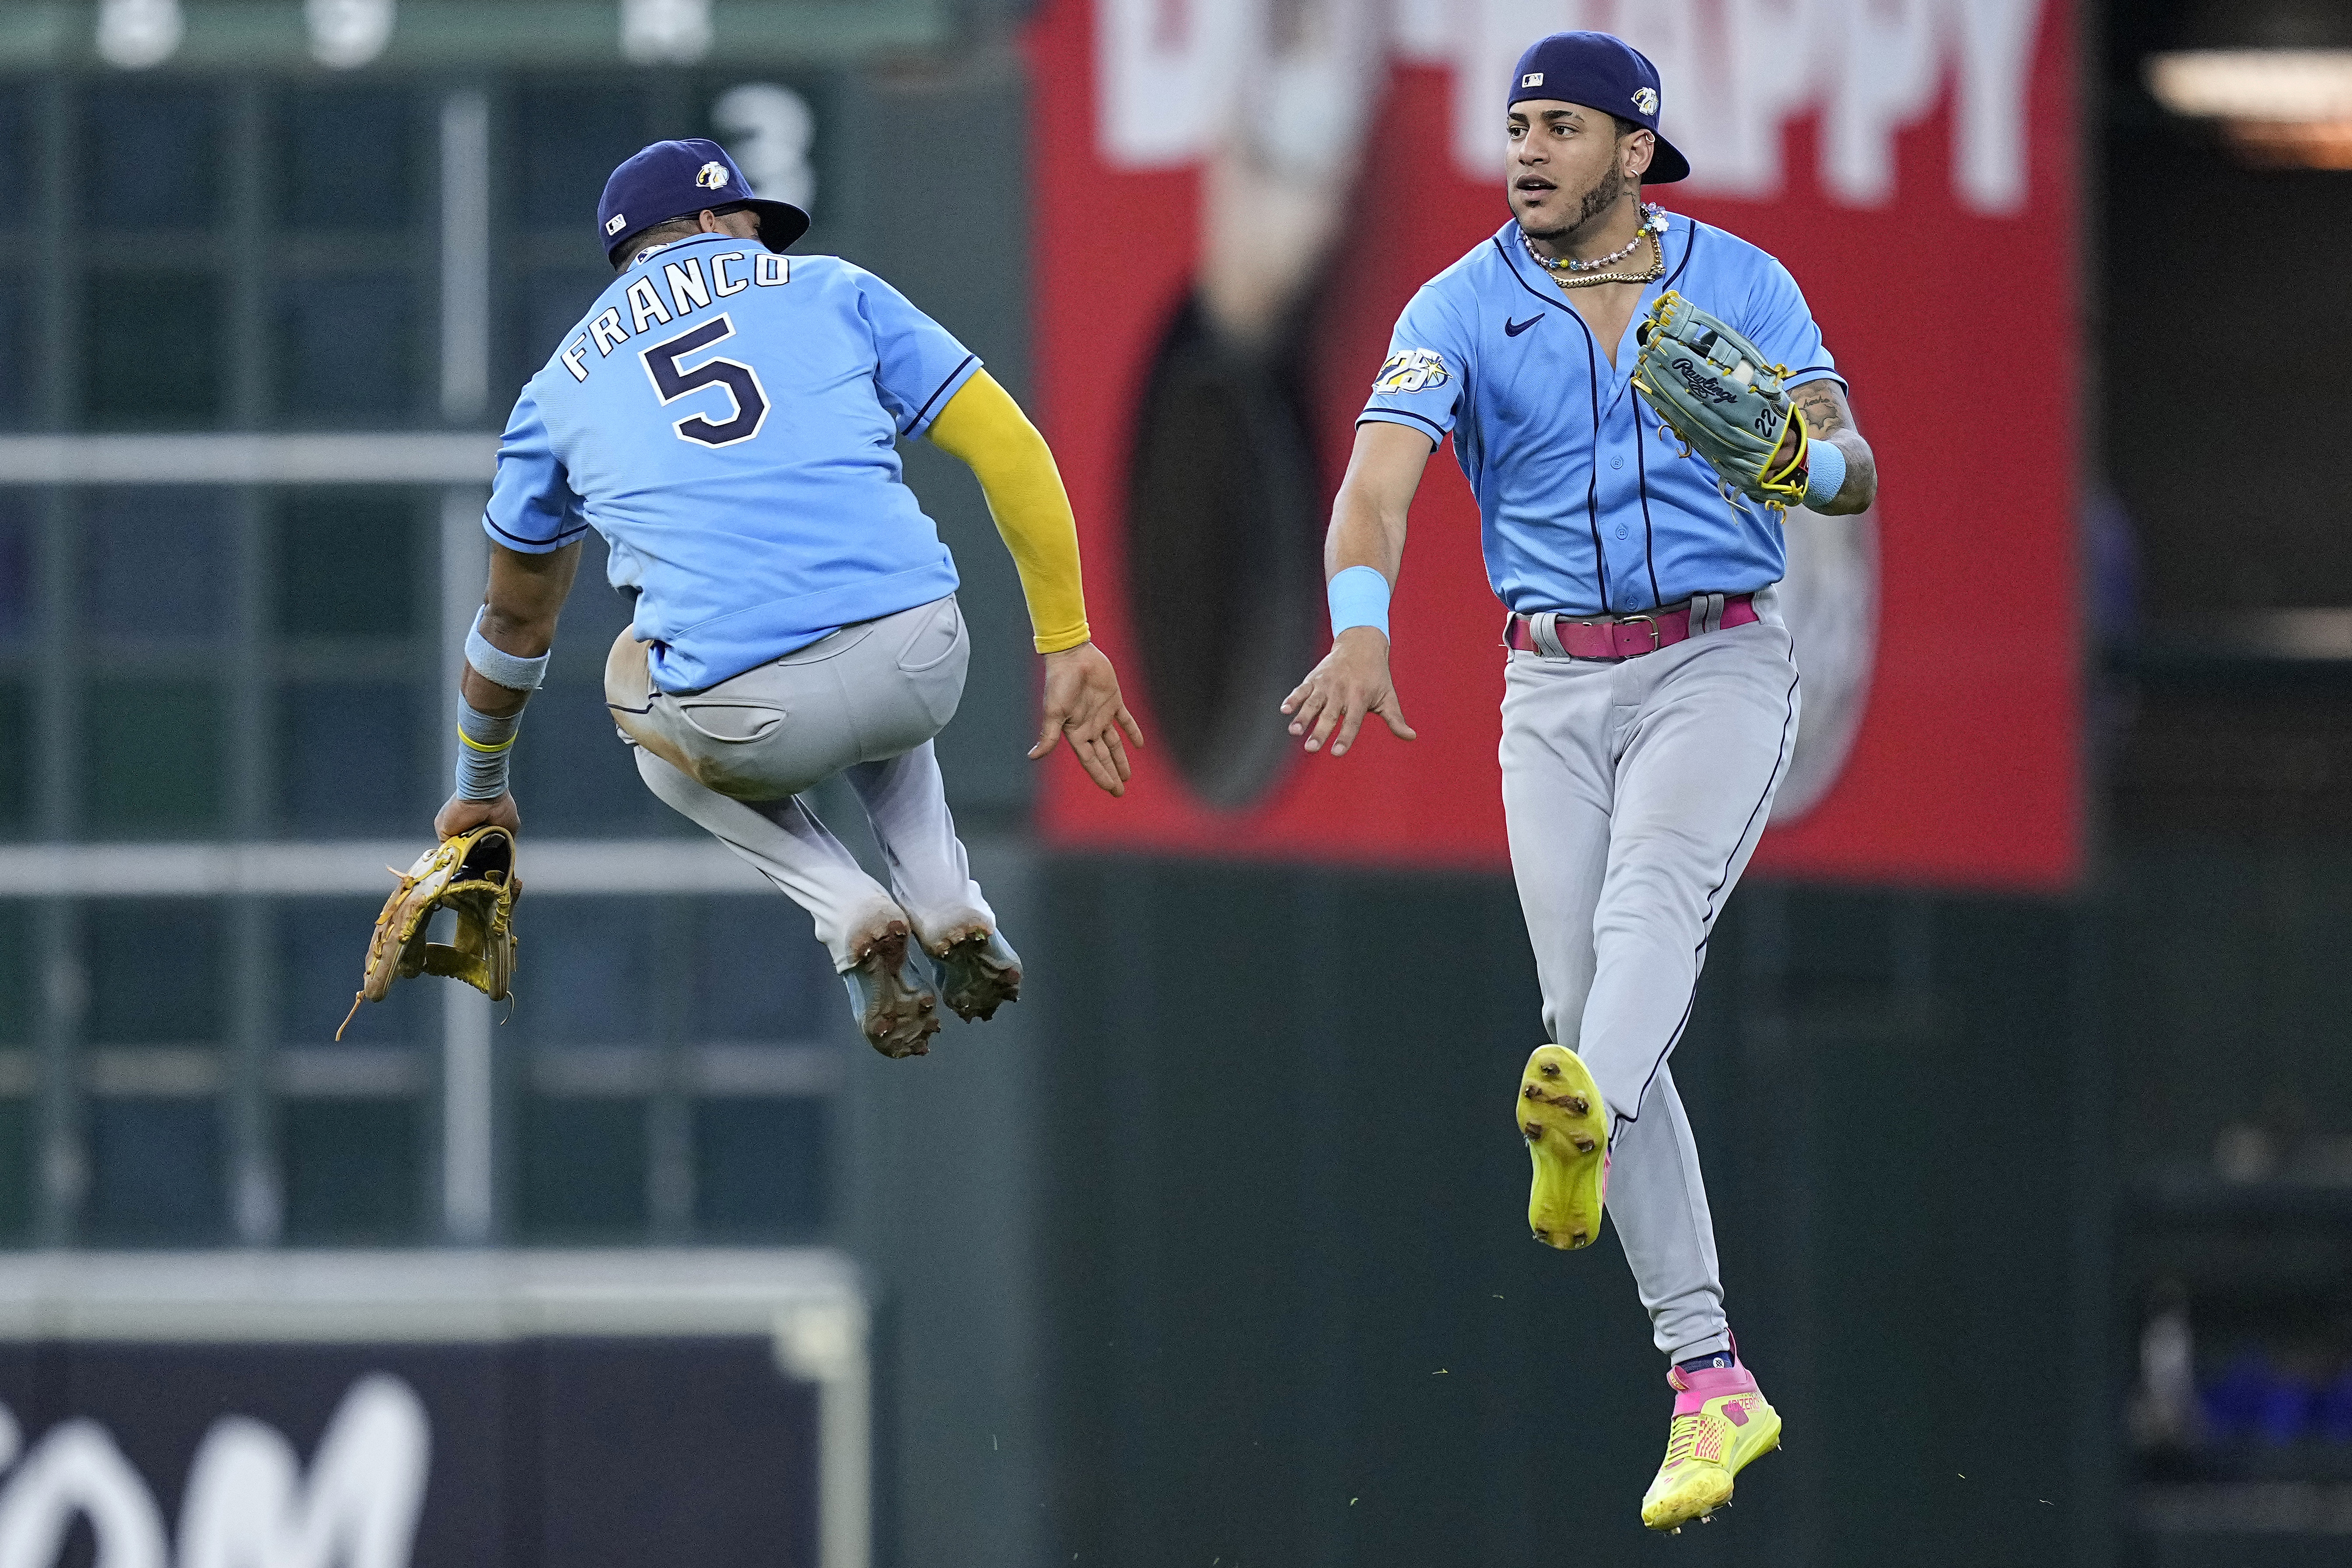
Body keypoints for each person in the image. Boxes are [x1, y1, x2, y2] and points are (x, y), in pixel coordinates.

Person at [1280, 32, 1878, 1531]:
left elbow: (1850, 462)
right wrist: (1359, 631)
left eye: (1560, 126)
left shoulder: (1738, 281)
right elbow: (1370, 488)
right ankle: (1707, 1378)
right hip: (1546, 683)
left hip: (1714, 661)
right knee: (1575, 1014)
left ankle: (1589, 1122)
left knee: (1647, 918)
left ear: (1633, 145)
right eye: (1515, 126)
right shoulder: (1456, 302)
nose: (1527, 150)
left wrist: (1806, 469)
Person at [434, 138, 1141, 1059]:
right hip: (924, 658)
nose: (761, 243)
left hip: (746, 720)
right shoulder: (833, 287)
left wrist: (479, 789)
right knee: (863, 571)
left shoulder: (555, 391)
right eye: (753, 226)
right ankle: (943, 891)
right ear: (714, 221)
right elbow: (1011, 447)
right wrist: (1068, 639)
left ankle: (845, 909)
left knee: (628, 674)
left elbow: (514, 623)